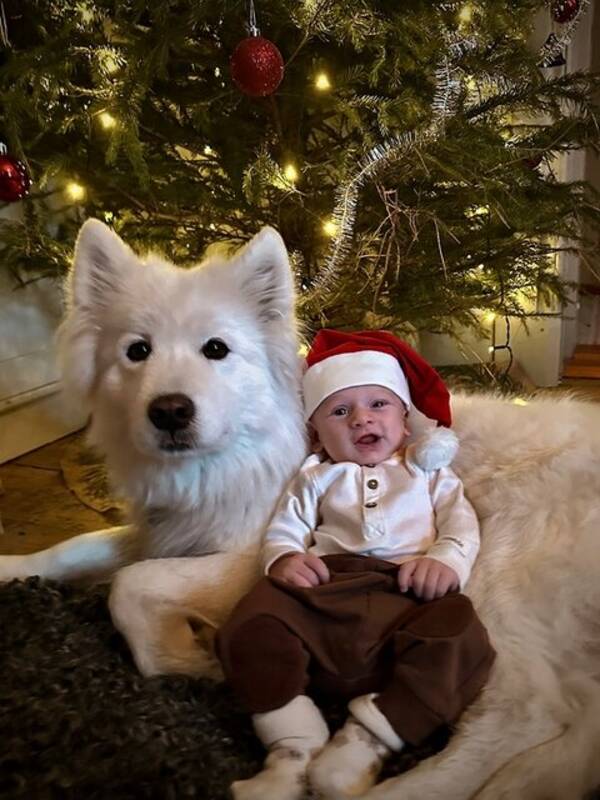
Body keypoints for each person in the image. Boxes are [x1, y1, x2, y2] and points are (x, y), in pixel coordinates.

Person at [216, 329, 495, 800]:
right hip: (325, 589)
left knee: (462, 636)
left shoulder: (427, 473)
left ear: (405, 422)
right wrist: (284, 559)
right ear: (318, 432)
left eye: (378, 405)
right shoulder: (315, 476)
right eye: (340, 411)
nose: (361, 418)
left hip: (407, 592)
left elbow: (460, 525)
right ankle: (291, 747)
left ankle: (370, 740)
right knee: (253, 620)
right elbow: (287, 527)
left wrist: (445, 561)